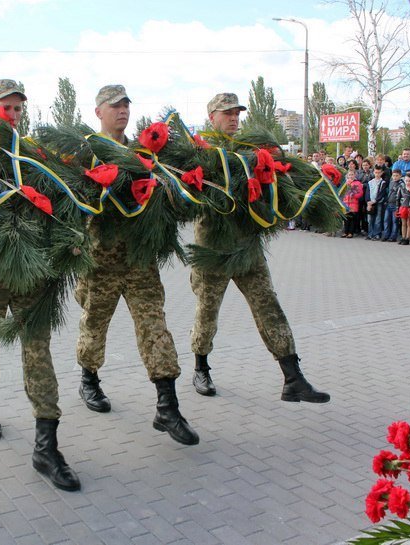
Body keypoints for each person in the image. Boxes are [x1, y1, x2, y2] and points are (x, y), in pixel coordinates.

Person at [0, 79, 81, 491]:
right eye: (5, 108)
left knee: (38, 350)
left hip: (32, 272)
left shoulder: (35, 157)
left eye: (18, 109)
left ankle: (46, 447)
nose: (13, 115)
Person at [75, 84, 200, 446]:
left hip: (140, 262)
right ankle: (89, 379)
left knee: (155, 327)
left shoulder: (145, 154)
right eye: (114, 106)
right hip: (101, 261)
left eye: (126, 105)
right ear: (98, 111)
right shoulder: (87, 152)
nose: (122, 110)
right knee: (94, 326)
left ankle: (168, 407)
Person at [188, 92, 329, 403]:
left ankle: (293, 377)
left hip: (247, 246)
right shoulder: (200, 151)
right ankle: (201, 368)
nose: (234, 117)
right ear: (212, 116)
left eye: (237, 112)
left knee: (268, 305)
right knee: (207, 312)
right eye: (227, 112)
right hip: (214, 248)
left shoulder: (251, 150)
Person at [364, 165, 387, 240]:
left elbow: (381, 193)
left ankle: (377, 234)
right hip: (370, 203)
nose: (377, 174)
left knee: (378, 219)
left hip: (378, 203)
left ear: (382, 173)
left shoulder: (383, 182)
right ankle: (370, 233)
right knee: (370, 219)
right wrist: (368, 202)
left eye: (379, 172)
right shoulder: (370, 182)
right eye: (376, 172)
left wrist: (374, 201)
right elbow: (367, 192)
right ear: (373, 172)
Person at [381, 169, 403, 242]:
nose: (395, 177)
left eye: (397, 176)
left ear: (400, 176)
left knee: (394, 221)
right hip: (389, 204)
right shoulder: (391, 182)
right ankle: (386, 235)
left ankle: (393, 236)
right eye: (394, 175)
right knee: (386, 220)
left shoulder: (401, 184)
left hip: (395, 205)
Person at [341, 170, 363, 238]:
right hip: (346, 203)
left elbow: (360, 193)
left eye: (352, 174)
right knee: (346, 218)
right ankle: (345, 232)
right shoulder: (345, 183)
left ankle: (351, 232)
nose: (351, 176)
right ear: (347, 175)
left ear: (355, 175)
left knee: (352, 219)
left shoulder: (357, 183)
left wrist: (353, 194)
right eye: (349, 175)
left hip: (353, 203)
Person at [396, 173, 410, 245]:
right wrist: (397, 208)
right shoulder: (401, 188)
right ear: (404, 180)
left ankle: (407, 238)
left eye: (409, 181)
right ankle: (403, 237)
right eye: (406, 180)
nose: (408, 182)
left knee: (409, 223)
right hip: (403, 207)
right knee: (403, 223)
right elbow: (398, 198)